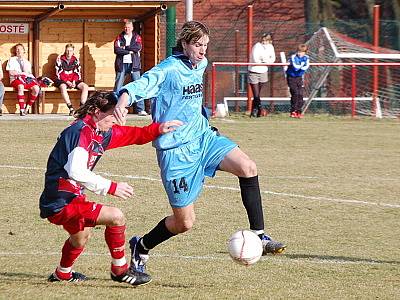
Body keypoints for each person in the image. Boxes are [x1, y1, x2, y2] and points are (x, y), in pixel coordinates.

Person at [113, 21, 286, 279]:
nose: (202, 50)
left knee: (248, 167)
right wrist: (125, 99)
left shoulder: (201, 64)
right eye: (197, 44)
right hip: (176, 152)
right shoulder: (170, 68)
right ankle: (142, 246)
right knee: (184, 223)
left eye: (205, 45)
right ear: (185, 44)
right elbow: (146, 82)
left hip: (203, 138)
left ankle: (259, 236)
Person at [39, 91, 182, 285]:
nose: (118, 119)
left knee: (81, 237)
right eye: (113, 114)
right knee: (116, 216)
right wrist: (111, 186)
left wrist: (158, 129)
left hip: (71, 198)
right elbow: (76, 171)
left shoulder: (100, 131)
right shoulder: (81, 131)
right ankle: (120, 270)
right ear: (97, 112)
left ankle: (62, 274)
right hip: (60, 200)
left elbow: (133, 135)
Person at [113, 20, 147, 116]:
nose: (126, 29)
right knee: (118, 86)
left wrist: (125, 48)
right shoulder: (119, 37)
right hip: (121, 64)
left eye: (128, 27)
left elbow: (138, 48)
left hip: (134, 65)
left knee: (138, 86)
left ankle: (141, 109)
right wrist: (129, 51)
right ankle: (114, 108)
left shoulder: (137, 37)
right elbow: (116, 49)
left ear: (132, 28)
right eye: (125, 27)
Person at [54, 43, 89, 116]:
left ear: (73, 51)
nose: (69, 52)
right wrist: (67, 82)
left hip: (73, 80)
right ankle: (71, 109)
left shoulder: (76, 59)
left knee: (85, 86)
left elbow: (77, 73)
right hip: (62, 80)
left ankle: (81, 109)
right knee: (63, 87)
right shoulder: (59, 58)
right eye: (67, 50)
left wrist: (73, 81)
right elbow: (59, 74)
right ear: (65, 50)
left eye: (70, 51)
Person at [6, 43, 40, 116]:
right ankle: (21, 109)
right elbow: (11, 72)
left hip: (25, 80)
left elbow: (28, 73)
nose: (18, 51)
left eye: (20, 49)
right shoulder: (12, 60)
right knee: (20, 86)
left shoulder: (27, 62)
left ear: (24, 51)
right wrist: (21, 74)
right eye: (17, 49)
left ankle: (27, 108)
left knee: (36, 88)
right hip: (15, 79)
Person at [248, 33, 275, 117]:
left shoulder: (270, 47)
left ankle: (254, 111)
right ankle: (259, 109)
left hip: (263, 71)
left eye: (266, 40)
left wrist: (263, 60)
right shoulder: (257, 46)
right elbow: (256, 59)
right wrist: (265, 60)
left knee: (258, 94)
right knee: (256, 94)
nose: (264, 42)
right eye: (263, 40)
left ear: (270, 41)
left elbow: (272, 59)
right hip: (254, 71)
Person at [286, 44, 310, 118]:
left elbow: (306, 67)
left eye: (302, 52)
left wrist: (301, 66)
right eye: (299, 51)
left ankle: (299, 111)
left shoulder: (306, 57)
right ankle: (293, 111)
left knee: (300, 94)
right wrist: (302, 64)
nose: (300, 53)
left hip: (299, 77)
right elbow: (296, 67)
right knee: (295, 93)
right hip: (291, 77)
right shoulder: (293, 57)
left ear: (305, 52)